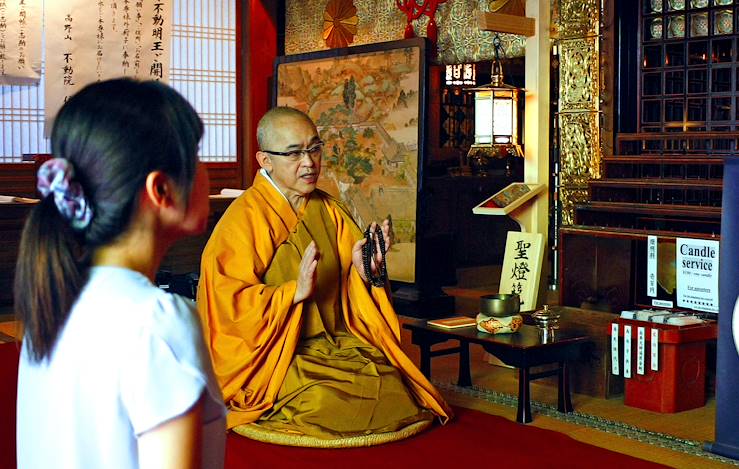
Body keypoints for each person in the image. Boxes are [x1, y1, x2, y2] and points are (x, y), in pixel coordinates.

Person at [197, 106, 451, 440]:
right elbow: (226, 305)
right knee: (323, 401)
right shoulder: (243, 219)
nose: (309, 162)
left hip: (336, 343)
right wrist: (292, 292)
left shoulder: (328, 208)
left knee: (391, 382)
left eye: (314, 149)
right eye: (294, 153)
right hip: (280, 354)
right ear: (264, 160)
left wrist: (365, 271)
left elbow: (350, 287)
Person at [15, 79, 226, 468]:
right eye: (195, 155)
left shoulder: (53, 299)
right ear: (161, 189)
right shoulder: (157, 319)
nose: (206, 170)